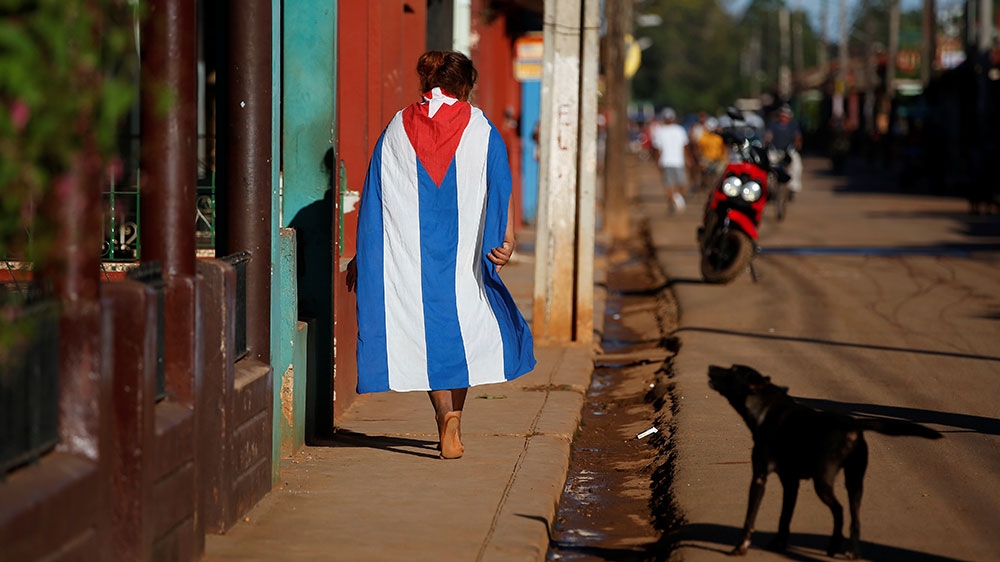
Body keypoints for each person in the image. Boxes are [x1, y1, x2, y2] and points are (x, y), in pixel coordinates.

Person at [345, 51, 536, 459]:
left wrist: (365, 257)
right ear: (466, 85)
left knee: (423, 330)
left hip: (411, 258)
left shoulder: (397, 126)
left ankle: (442, 415)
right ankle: (456, 419)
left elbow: (378, 196)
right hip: (464, 253)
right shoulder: (481, 128)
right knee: (461, 328)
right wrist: (507, 238)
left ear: (425, 82)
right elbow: (499, 185)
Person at [649, 107, 690, 212]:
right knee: (673, 184)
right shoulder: (664, 131)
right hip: (669, 161)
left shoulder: (676, 130)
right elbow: (658, 149)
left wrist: (657, 162)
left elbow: (657, 149)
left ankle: (674, 198)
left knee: (677, 184)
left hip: (674, 161)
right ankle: (672, 203)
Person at [764, 105, 803, 196]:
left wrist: (798, 143)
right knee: (768, 166)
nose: (784, 117)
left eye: (786, 116)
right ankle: (769, 187)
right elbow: (768, 135)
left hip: (789, 150)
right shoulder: (773, 124)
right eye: (782, 115)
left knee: (797, 165)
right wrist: (767, 140)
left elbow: (797, 136)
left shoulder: (793, 125)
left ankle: (793, 186)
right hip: (775, 150)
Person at [695, 117, 727, 191]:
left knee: (719, 176)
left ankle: (715, 189)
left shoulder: (720, 136)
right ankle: (706, 187)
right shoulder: (704, 136)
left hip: (718, 159)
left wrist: (724, 158)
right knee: (706, 174)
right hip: (707, 159)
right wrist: (700, 159)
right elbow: (699, 147)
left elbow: (724, 148)